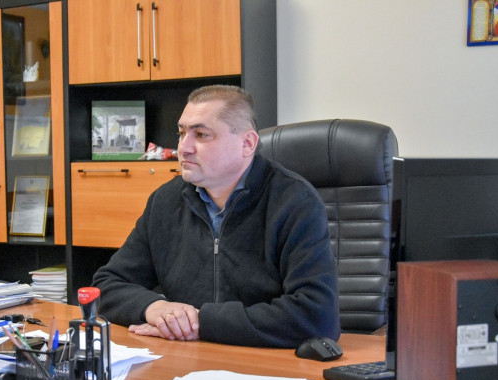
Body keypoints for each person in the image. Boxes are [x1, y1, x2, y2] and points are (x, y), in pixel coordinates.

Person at [93, 85, 340, 348]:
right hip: (187, 357)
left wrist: (201, 322)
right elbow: (105, 286)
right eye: (181, 133)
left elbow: (316, 316)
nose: (184, 148)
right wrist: (153, 307)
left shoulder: (295, 202)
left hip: (268, 361)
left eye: (201, 135)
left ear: (247, 143)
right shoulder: (165, 201)